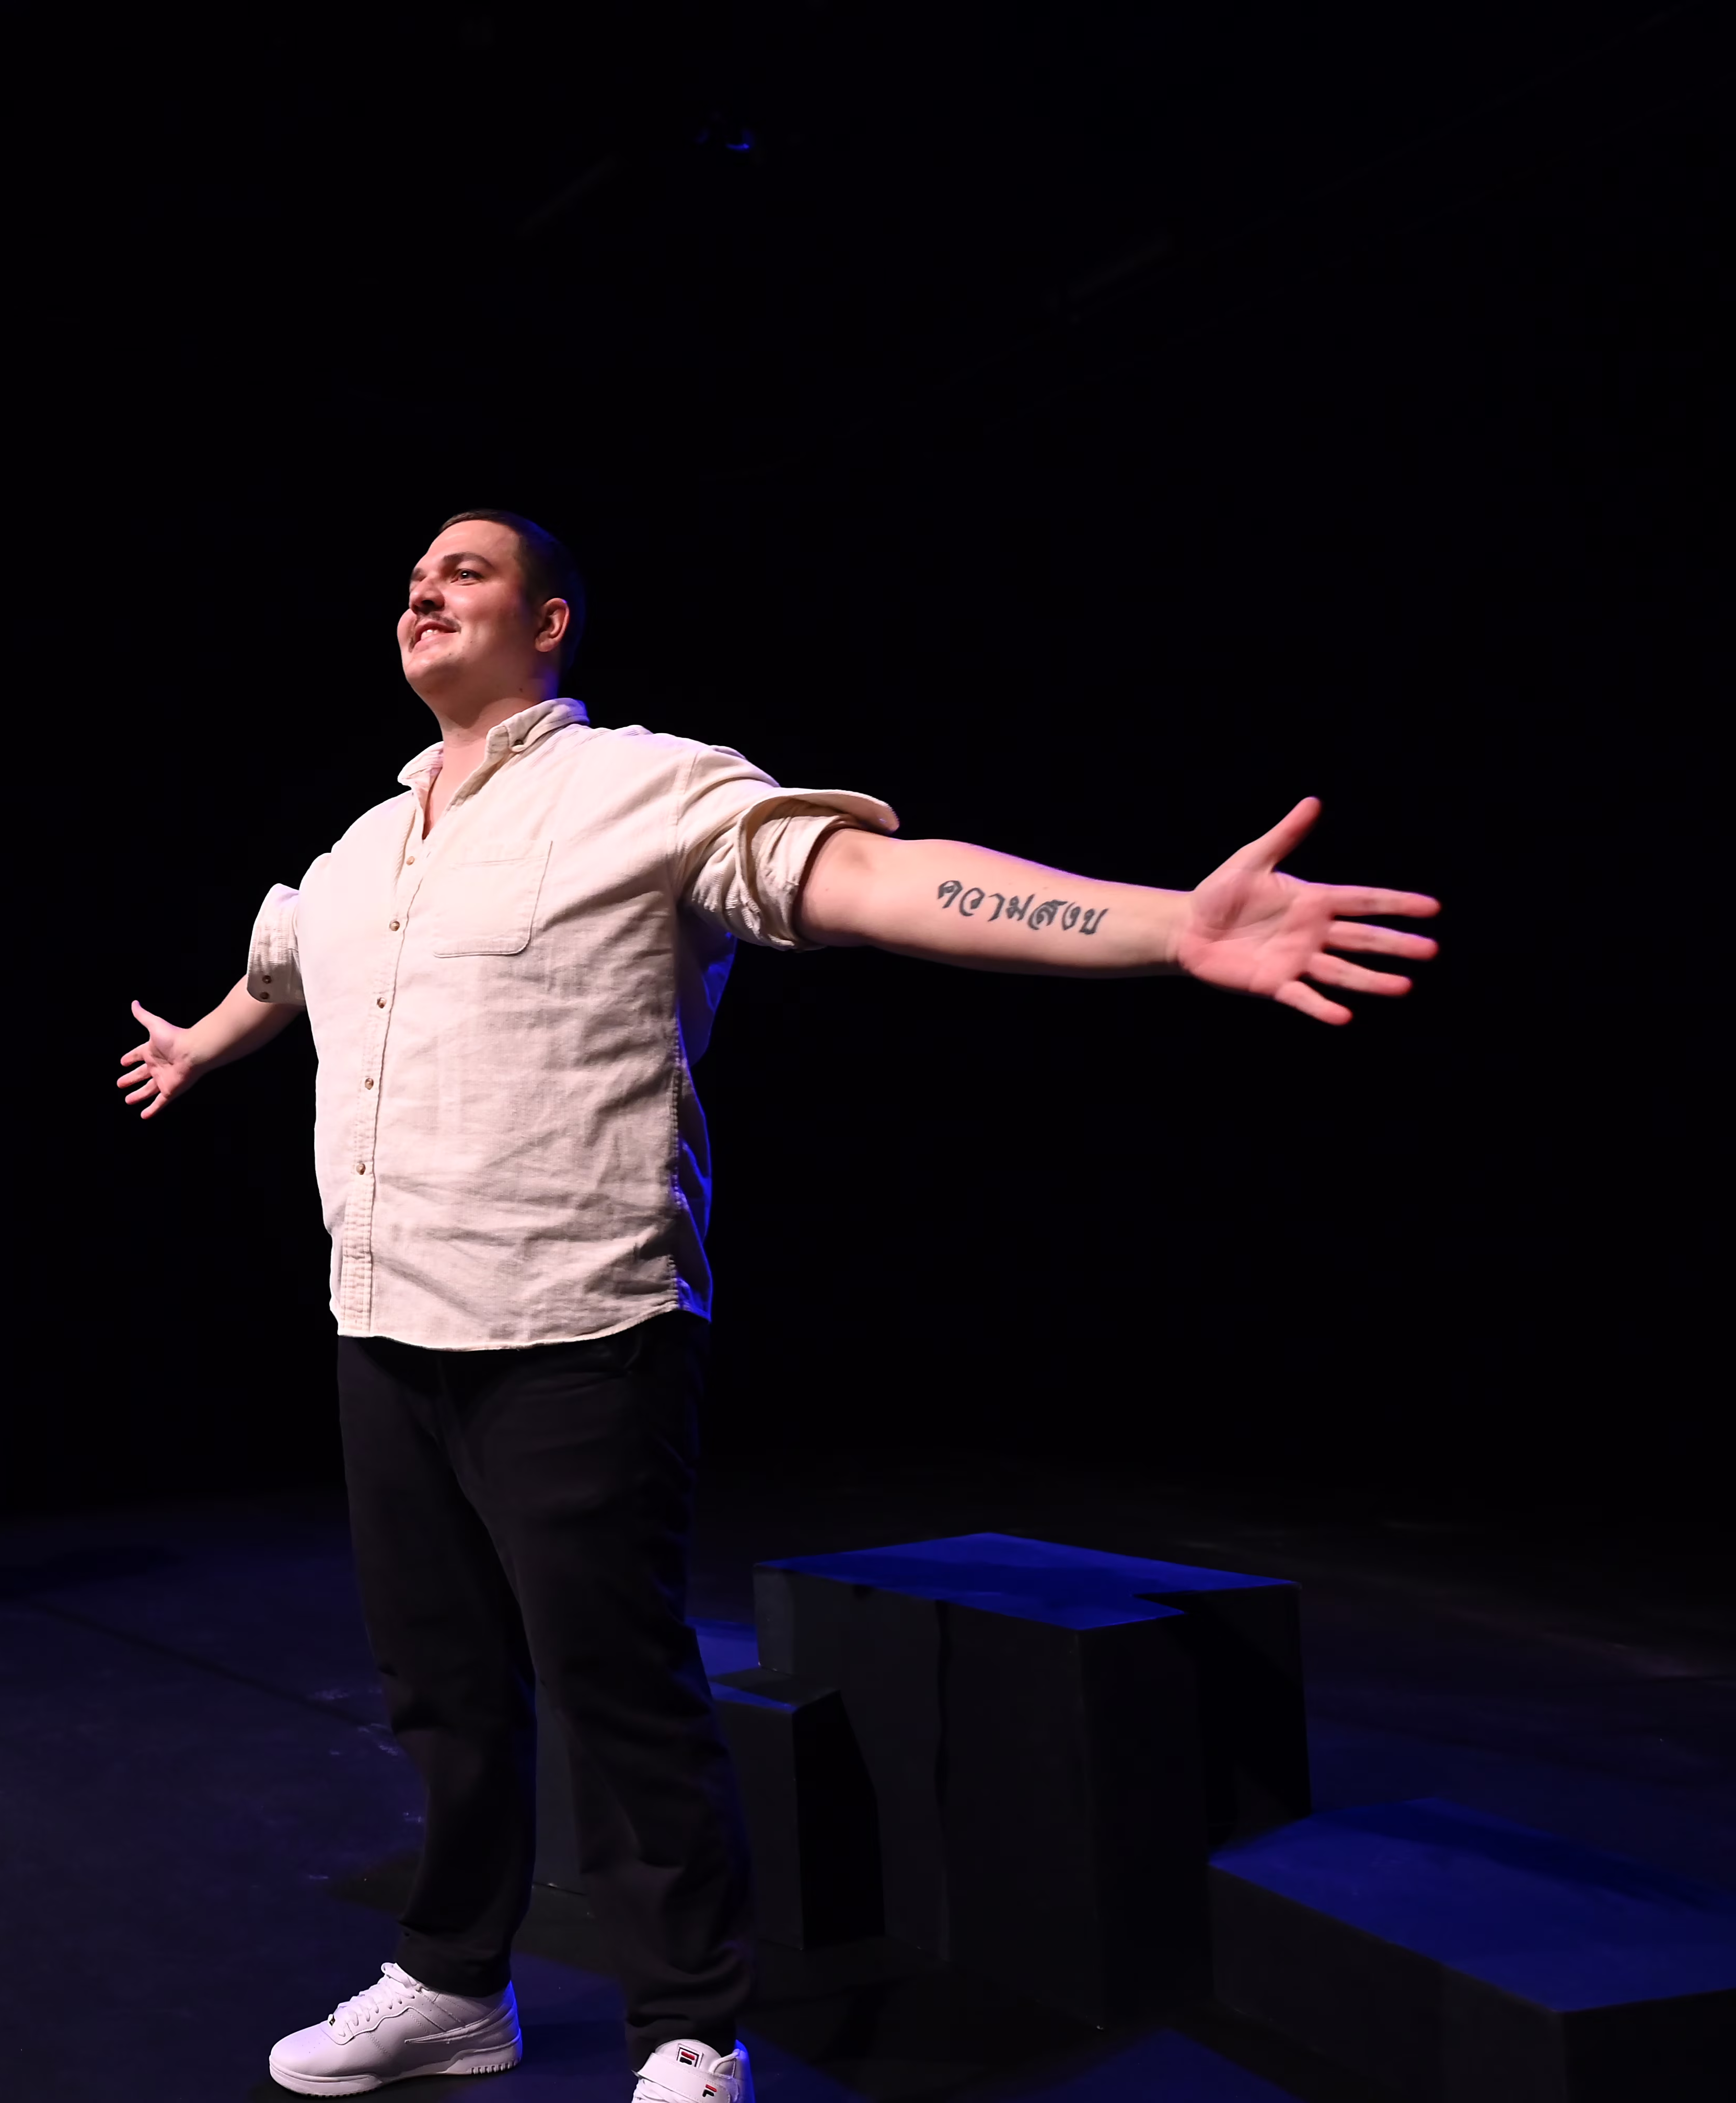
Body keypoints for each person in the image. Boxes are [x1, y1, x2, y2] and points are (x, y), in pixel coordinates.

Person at [115, 512, 1441, 2103]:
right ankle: (455, 1983)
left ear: (550, 622)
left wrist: (1166, 925)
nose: (424, 589)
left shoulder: (644, 786)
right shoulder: (361, 847)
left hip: (577, 1323)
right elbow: (282, 967)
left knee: (617, 1690)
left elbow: (874, 876)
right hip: (384, 1319)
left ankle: (690, 2025)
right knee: (443, 1688)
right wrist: (199, 1043)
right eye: (414, 576)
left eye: (465, 571)